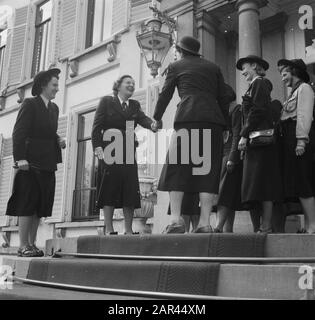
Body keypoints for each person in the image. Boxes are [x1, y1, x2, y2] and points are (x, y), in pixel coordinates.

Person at [153, 36, 229, 233]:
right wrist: (226, 127)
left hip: (188, 118)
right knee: (207, 171)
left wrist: (157, 117)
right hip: (213, 122)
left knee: (177, 168)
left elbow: (165, 94)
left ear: (180, 50)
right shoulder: (214, 67)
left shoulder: (176, 66)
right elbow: (223, 98)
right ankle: (204, 224)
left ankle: (177, 221)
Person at [6, 68, 65, 257]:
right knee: (27, 203)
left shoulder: (54, 108)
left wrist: (57, 138)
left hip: (47, 162)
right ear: (43, 86)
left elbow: (45, 130)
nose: (57, 89)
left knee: (39, 205)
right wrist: (20, 158)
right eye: (54, 85)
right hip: (29, 163)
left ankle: (32, 244)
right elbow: (19, 132)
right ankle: (23, 245)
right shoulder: (29, 104)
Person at [91, 75, 159, 235]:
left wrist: (153, 125)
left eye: (133, 83)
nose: (132, 85)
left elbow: (143, 119)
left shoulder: (134, 105)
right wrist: (97, 147)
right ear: (118, 85)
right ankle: (109, 229)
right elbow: (96, 127)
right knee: (109, 188)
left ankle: (128, 229)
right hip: (109, 151)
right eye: (128, 82)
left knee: (130, 189)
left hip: (128, 151)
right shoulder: (107, 102)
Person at [237, 55, 282, 233]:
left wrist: (244, 135)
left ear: (255, 66)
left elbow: (257, 111)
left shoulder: (259, 83)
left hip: (260, 143)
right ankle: (263, 226)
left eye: (244, 67)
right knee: (258, 185)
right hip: (256, 145)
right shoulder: (255, 85)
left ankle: (266, 226)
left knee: (264, 184)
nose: (242, 72)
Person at [277, 59, 315, 233]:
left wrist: (301, 140)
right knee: (301, 183)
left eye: (285, 74)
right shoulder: (294, 92)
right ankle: (308, 225)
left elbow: (304, 115)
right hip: (291, 139)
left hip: (299, 138)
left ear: (295, 72)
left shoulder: (304, 88)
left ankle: (311, 225)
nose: (282, 78)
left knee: (304, 182)